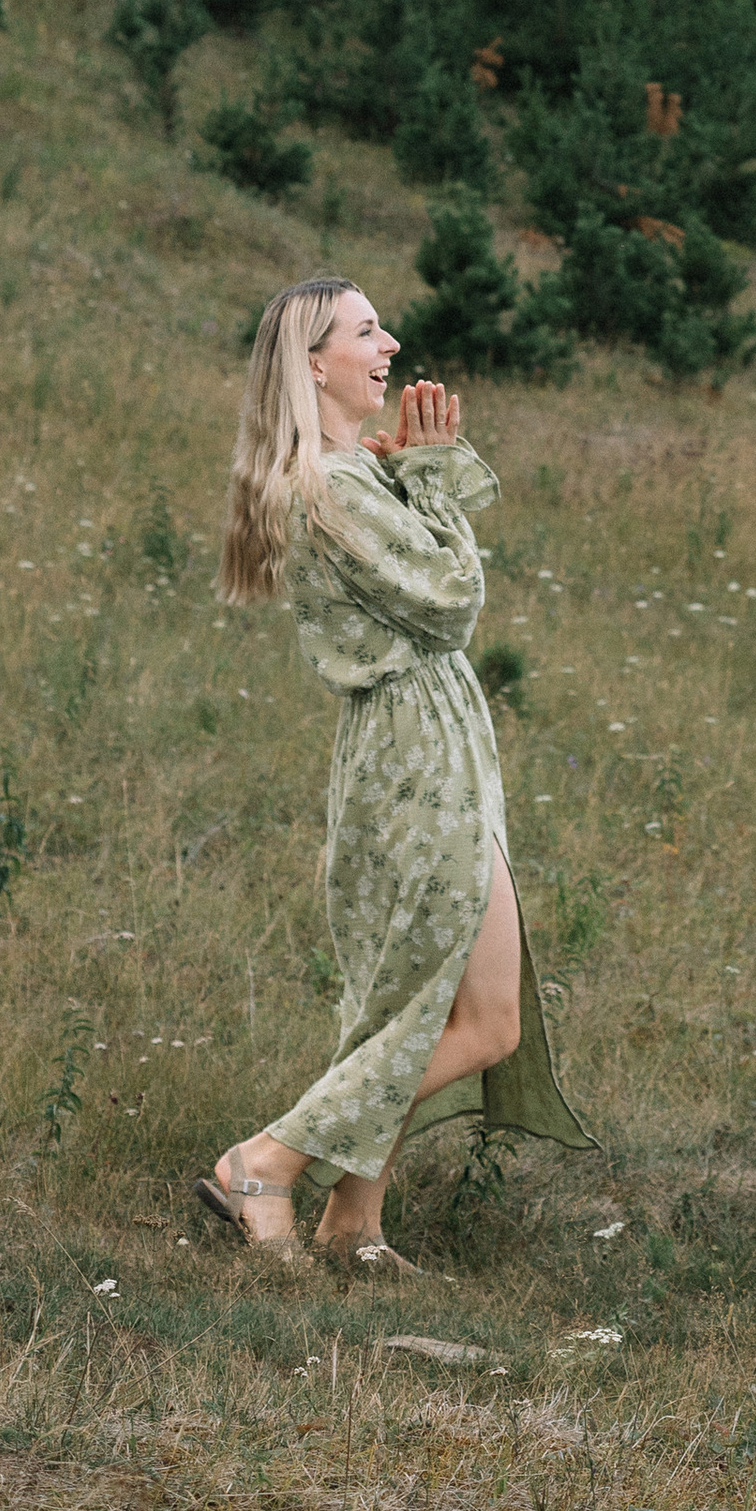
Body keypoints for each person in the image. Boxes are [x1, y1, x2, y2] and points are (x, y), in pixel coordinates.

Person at [199, 275, 588, 1275]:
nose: (390, 344)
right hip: (412, 757)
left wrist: (417, 473)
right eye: (366, 332)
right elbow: (453, 599)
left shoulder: (350, 471)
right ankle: (265, 1159)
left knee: (444, 1005)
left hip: (441, 744)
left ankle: (352, 1226)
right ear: (313, 363)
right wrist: (431, 479)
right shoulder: (329, 485)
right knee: (468, 1018)